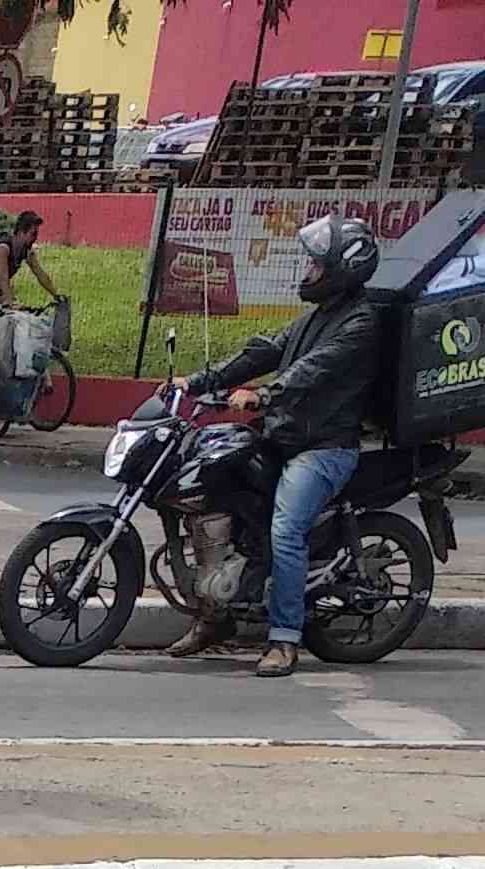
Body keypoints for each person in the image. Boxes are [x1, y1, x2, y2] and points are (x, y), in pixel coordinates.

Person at [177, 209, 384, 673]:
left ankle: (285, 638)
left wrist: (264, 394)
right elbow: (267, 351)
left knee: (286, 531)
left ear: (342, 270)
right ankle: (215, 615)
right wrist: (198, 381)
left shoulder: (360, 324)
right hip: (285, 435)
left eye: (317, 264)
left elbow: (312, 371)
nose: (308, 271)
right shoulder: (317, 317)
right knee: (215, 492)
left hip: (324, 448)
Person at [0, 208, 56, 434]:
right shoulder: (3, 249)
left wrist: (56, 294)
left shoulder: (26, 252)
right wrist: (9, 302)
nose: (35, 239)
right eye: (33, 234)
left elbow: (40, 273)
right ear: (21, 232)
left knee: (26, 332)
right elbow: (3, 278)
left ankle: (39, 378)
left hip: (1, 299)